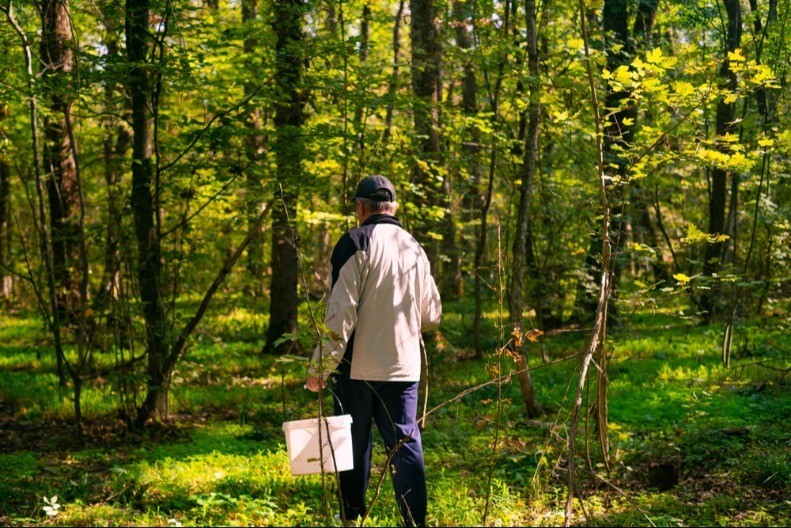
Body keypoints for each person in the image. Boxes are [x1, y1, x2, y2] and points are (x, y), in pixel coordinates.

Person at [306, 174, 442, 527]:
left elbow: (340, 314)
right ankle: (414, 521)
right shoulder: (414, 247)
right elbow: (432, 314)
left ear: (360, 207)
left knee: (352, 443)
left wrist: (320, 368)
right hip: (404, 368)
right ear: (393, 208)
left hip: (356, 368)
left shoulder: (354, 242)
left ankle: (352, 518)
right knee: (405, 444)